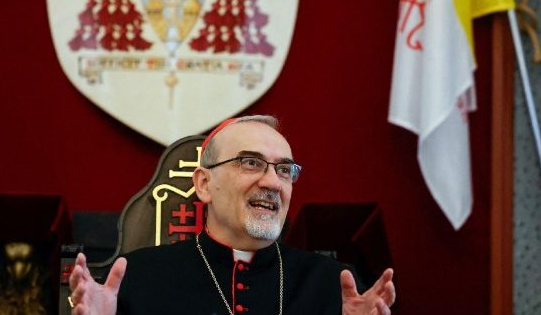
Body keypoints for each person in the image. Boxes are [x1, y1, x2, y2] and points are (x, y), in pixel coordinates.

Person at [69, 115, 396, 314]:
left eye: (284, 170)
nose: (272, 182)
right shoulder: (137, 278)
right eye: (251, 163)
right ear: (204, 184)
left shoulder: (333, 285)